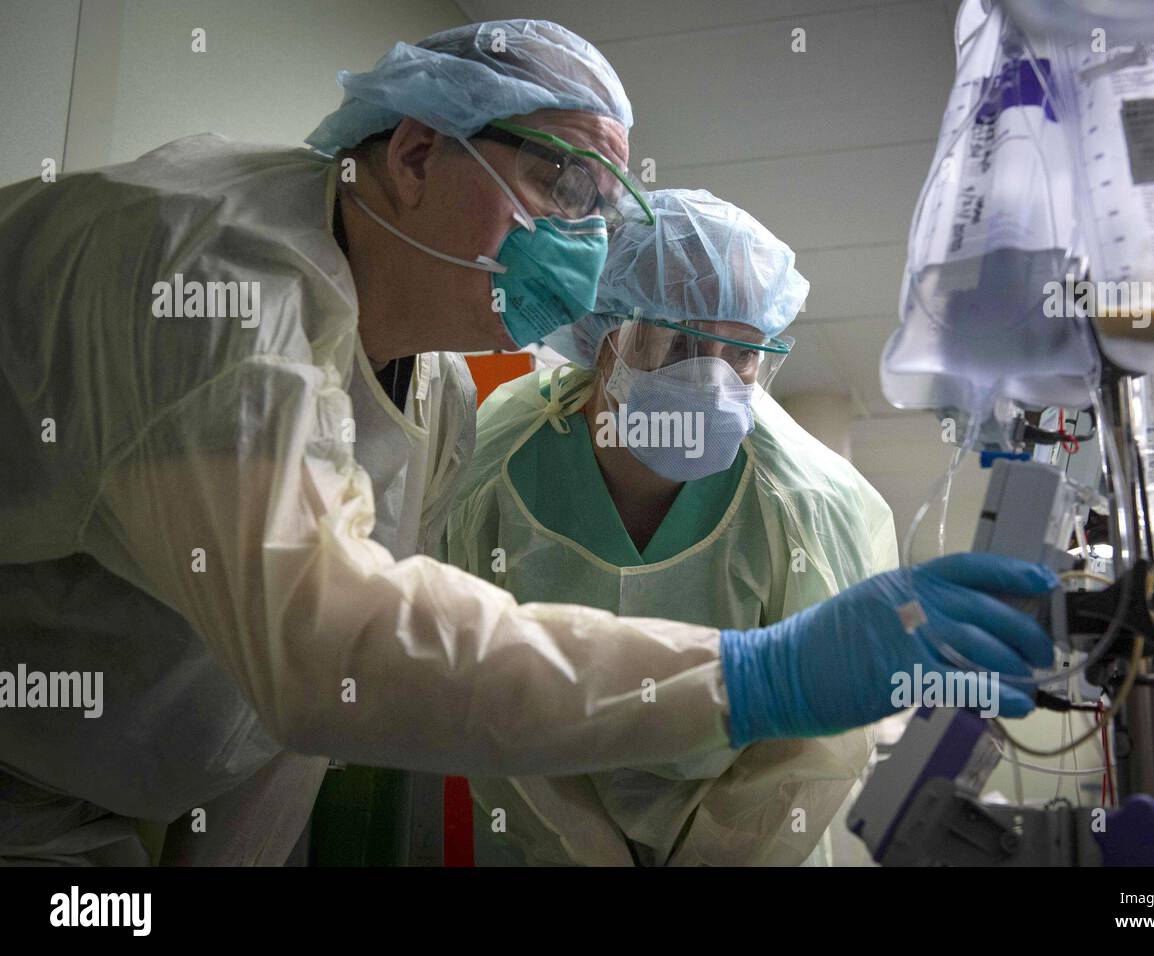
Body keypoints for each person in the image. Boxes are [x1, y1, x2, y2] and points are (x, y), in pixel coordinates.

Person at [0, 19, 1056, 867]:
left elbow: (314, 710)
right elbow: (328, 650)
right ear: (415, 152)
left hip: (113, 797)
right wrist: (755, 674)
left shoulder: (439, 395)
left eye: (607, 209)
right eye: (564, 187)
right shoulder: (211, 290)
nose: (588, 244)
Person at [448, 188, 897, 866]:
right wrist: (577, 845)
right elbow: (477, 686)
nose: (714, 381)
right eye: (682, 343)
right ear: (605, 337)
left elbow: (815, 742)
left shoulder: (806, 500)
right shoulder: (492, 467)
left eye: (743, 355)